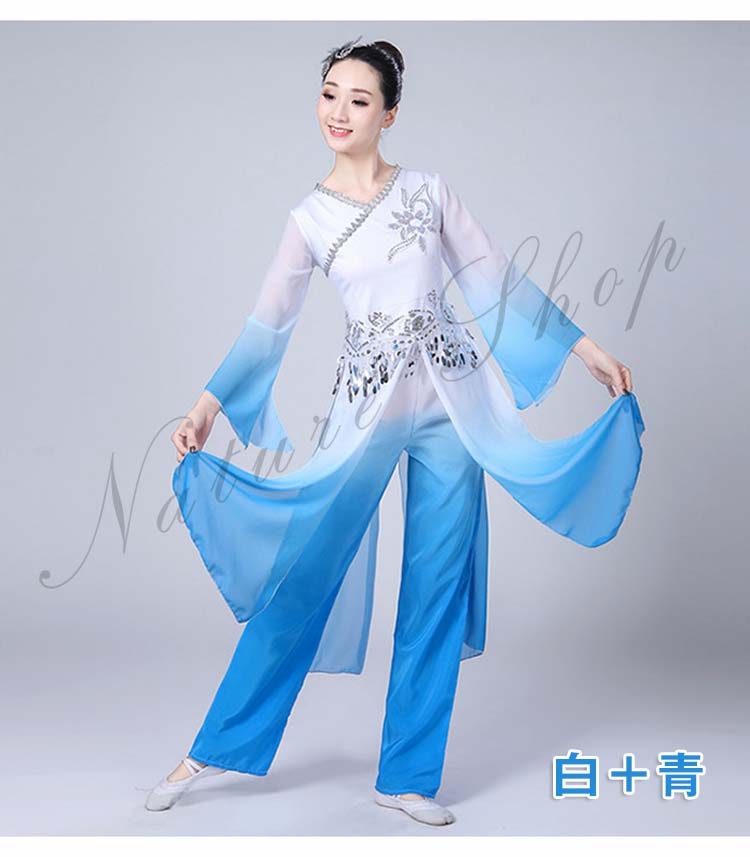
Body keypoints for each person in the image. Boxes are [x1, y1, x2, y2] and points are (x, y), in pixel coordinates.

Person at [146, 36, 645, 826]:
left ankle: (406, 774)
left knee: (436, 588)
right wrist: (207, 405)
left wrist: (585, 350)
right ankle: (212, 747)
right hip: (364, 414)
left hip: (453, 409)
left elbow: (495, 280)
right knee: (303, 576)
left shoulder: (428, 192)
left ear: (390, 113)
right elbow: (268, 323)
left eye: (359, 99)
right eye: (330, 94)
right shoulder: (309, 218)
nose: (339, 112)